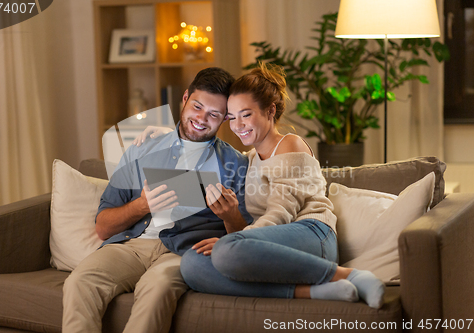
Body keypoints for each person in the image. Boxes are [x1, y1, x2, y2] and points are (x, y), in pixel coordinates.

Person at [178, 62, 386, 309]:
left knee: (225, 249)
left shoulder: (290, 145)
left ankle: (351, 275)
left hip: (312, 235)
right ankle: (315, 291)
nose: (237, 125)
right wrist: (158, 134)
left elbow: (281, 212)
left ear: (270, 110)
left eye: (246, 114)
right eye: (231, 118)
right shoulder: (251, 160)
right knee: (191, 264)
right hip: (272, 246)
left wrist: (235, 242)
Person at [61, 67, 252, 333]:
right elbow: (103, 227)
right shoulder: (143, 147)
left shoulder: (235, 164)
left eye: (214, 114)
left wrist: (231, 216)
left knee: (156, 290)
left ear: (224, 119)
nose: (201, 118)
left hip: (183, 252)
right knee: (79, 282)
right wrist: (142, 206)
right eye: (197, 106)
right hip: (132, 246)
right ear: (184, 98)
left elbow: (246, 242)